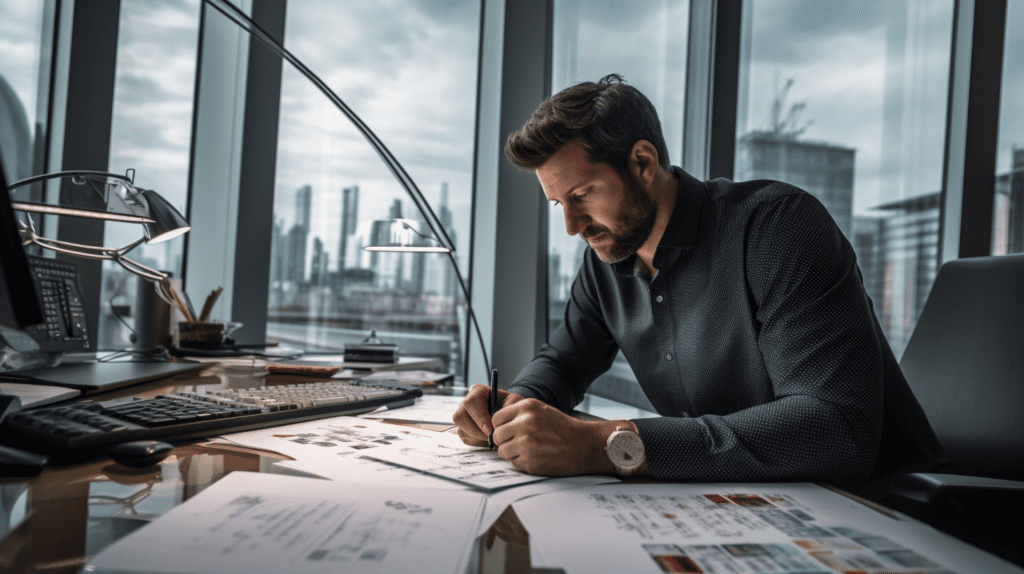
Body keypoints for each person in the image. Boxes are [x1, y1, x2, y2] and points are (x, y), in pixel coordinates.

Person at [452, 74, 943, 501]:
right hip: (731, 502)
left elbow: (833, 428)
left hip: (874, 508)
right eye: (560, 204)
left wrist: (603, 445)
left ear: (643, 163)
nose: (574, 226)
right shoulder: (606, 258)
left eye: (583, 196)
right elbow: (563, 363)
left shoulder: (777, 227)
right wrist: (513, 406)